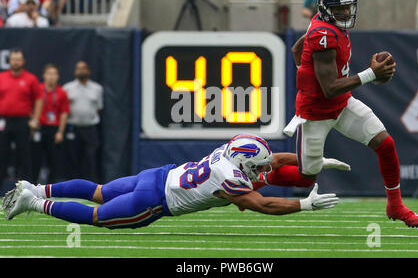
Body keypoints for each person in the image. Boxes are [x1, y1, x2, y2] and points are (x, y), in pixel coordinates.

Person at [287, 0, 418, 228]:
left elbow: (297, 49)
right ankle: (260, 173)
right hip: (316, 112)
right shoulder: (323, 34)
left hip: (341, 104)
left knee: (385, 144)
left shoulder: (328, 24)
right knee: (306, 176)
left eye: (348, 7)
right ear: (326, 9)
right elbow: (328, 89)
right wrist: (371, 74)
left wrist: (304, 71)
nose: (346, 13)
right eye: (340, 9)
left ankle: (395, 205)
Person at [2, 134, 340, 228]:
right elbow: (261, 204)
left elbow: (275, 160)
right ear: (243, 161)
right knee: (97, 217)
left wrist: (315, 161)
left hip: (159, 175)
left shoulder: (229, 152)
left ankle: (36, 187)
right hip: (156, 201)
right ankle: (35, 201)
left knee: (99, 191)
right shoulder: (231, 178)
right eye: (257, 167)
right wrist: (304, 204)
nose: (262, 171)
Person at [0, 49, 43, 189]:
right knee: (2, 155)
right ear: (9, 61)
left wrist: (35, 120)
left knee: (24, 156)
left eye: (18, 59)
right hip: (4, 121)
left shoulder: (30, 79)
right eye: (13, 59)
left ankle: (27, 192)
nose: (16, 62)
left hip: (23, 121)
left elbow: (38, 99)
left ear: (23, 61)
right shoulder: (2, 77)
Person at [63, 61, 103, 182]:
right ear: (75, 71)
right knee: (73, 157)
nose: (81, 71)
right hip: (73, 128)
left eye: (83, 68)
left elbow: (99, 108)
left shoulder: (97, 88)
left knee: (90, 157)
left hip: (90, 128)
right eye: (78, 69)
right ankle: (72, 186)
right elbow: (64, 109)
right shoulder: (67, 88)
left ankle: (91, 186)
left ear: (89, 71)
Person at [31, 64, 69, 184]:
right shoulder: (37, 89)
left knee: (53, 161)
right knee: (35, 160)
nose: (51, 77)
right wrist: (32, 122)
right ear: (44, 76)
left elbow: (64, 113)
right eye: (49, 74)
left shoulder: (61, 92)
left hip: (53, 129)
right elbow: (29, 106)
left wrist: (60, 132)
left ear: (58, 76)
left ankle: (50, 189)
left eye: (54, 74)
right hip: (38, 128)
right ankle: (32, 188)